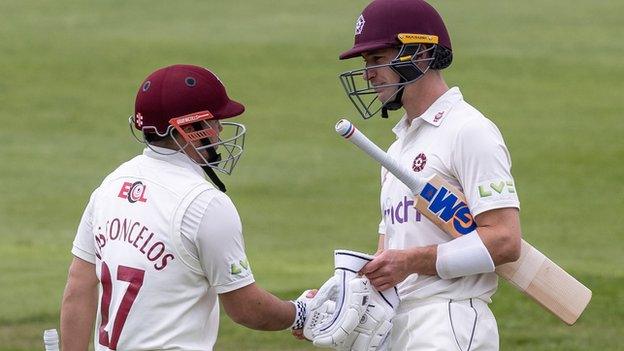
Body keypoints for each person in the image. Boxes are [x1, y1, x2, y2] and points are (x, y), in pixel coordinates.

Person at [60, 64, 308, 351]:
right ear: (189, 129)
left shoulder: (110, 187)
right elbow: (245, 309)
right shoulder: (204, 203)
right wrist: (300, 313)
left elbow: (77, 289)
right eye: (214, 122)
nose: (219, 131)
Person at [338, 1, 522, 350]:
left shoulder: (469, 130)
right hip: (399, 322)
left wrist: (410, 262)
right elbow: (389, 254)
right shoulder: (396, 151)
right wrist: (341, 298)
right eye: (366, 63)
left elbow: (505, 240)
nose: (368, 74)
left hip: (449, 321)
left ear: (420, 54)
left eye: (377, 60)